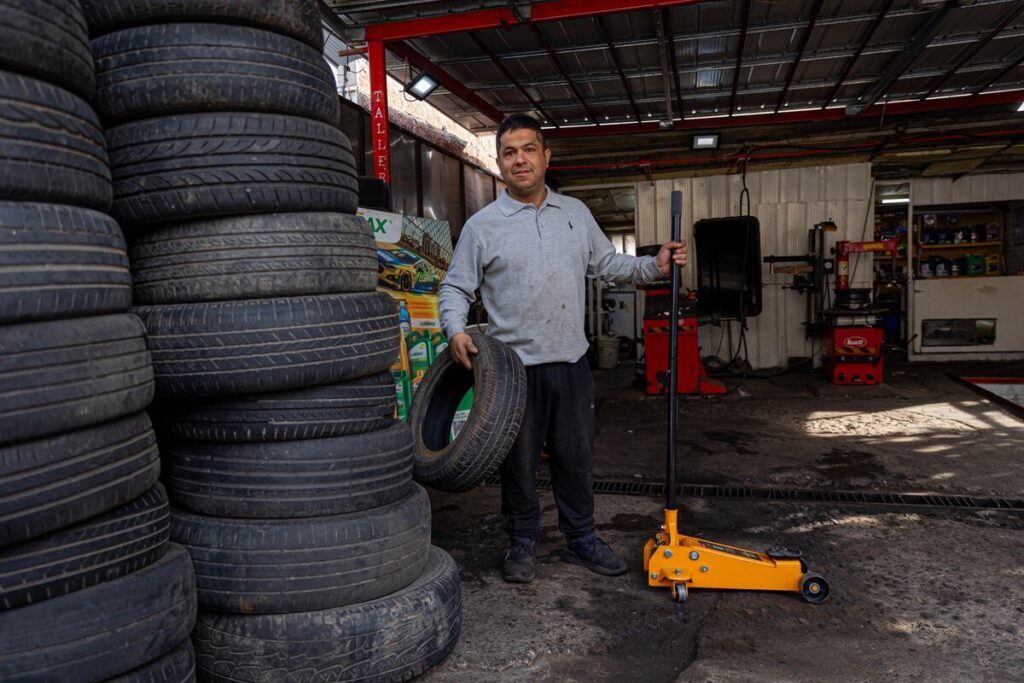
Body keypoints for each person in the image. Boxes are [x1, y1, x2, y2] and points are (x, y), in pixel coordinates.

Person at [438, 113, 687, 584]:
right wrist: (454, 330)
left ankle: (581, 538)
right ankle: (522, 540)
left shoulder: (575, 213)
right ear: (500, 164)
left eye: (528, 149)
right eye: (509, 153)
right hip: (513, 371)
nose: (520, 160)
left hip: (571, 362)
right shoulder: (482, 226)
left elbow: (609, 264)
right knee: (519, 462)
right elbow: (455, 287)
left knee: (575, 458)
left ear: (546, 157)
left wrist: (653, 266)